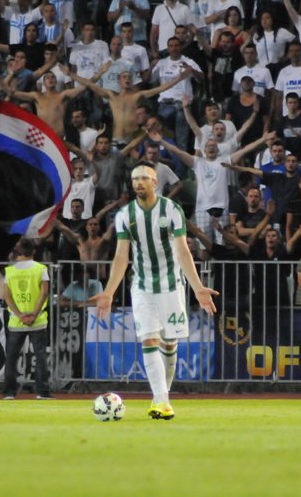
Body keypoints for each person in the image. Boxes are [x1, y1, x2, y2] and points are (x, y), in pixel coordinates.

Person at [94, 163, 218, 420]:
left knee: (170, 344)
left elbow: (183, 250)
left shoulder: (171, 209)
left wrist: (197, 288)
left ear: (154, 182)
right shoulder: (125, 215)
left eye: (144, 178)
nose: (138, 183)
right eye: (135, 179)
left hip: (171, 286)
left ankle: (161, 397)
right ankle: (162, 402)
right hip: (142, 288)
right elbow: (121, 257)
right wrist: (109, 292)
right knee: (149, 340)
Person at [1, 238, 52, 400]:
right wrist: (34, 314)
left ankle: (9, 392)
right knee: (41, 355)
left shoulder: (9, 270)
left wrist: (19, 314)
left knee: (11, 357)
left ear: (18, 251)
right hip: (38, 320)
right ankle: (42, 392)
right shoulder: (40, 269)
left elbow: (6, 296)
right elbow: (44, 292)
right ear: (34, 251)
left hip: (17, 321)